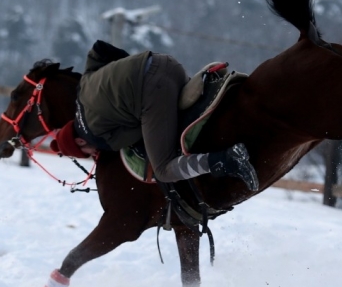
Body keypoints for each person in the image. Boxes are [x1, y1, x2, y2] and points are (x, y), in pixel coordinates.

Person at [50, 40, 258, 191]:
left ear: (79, 139)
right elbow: (99, 49)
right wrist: (130, 68)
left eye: (87, 152)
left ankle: (226, 160)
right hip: (165, 63)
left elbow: (137, 133)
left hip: (154, 91)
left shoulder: (95, 135)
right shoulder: (84, 83)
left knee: (164, 170)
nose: (94, 153)